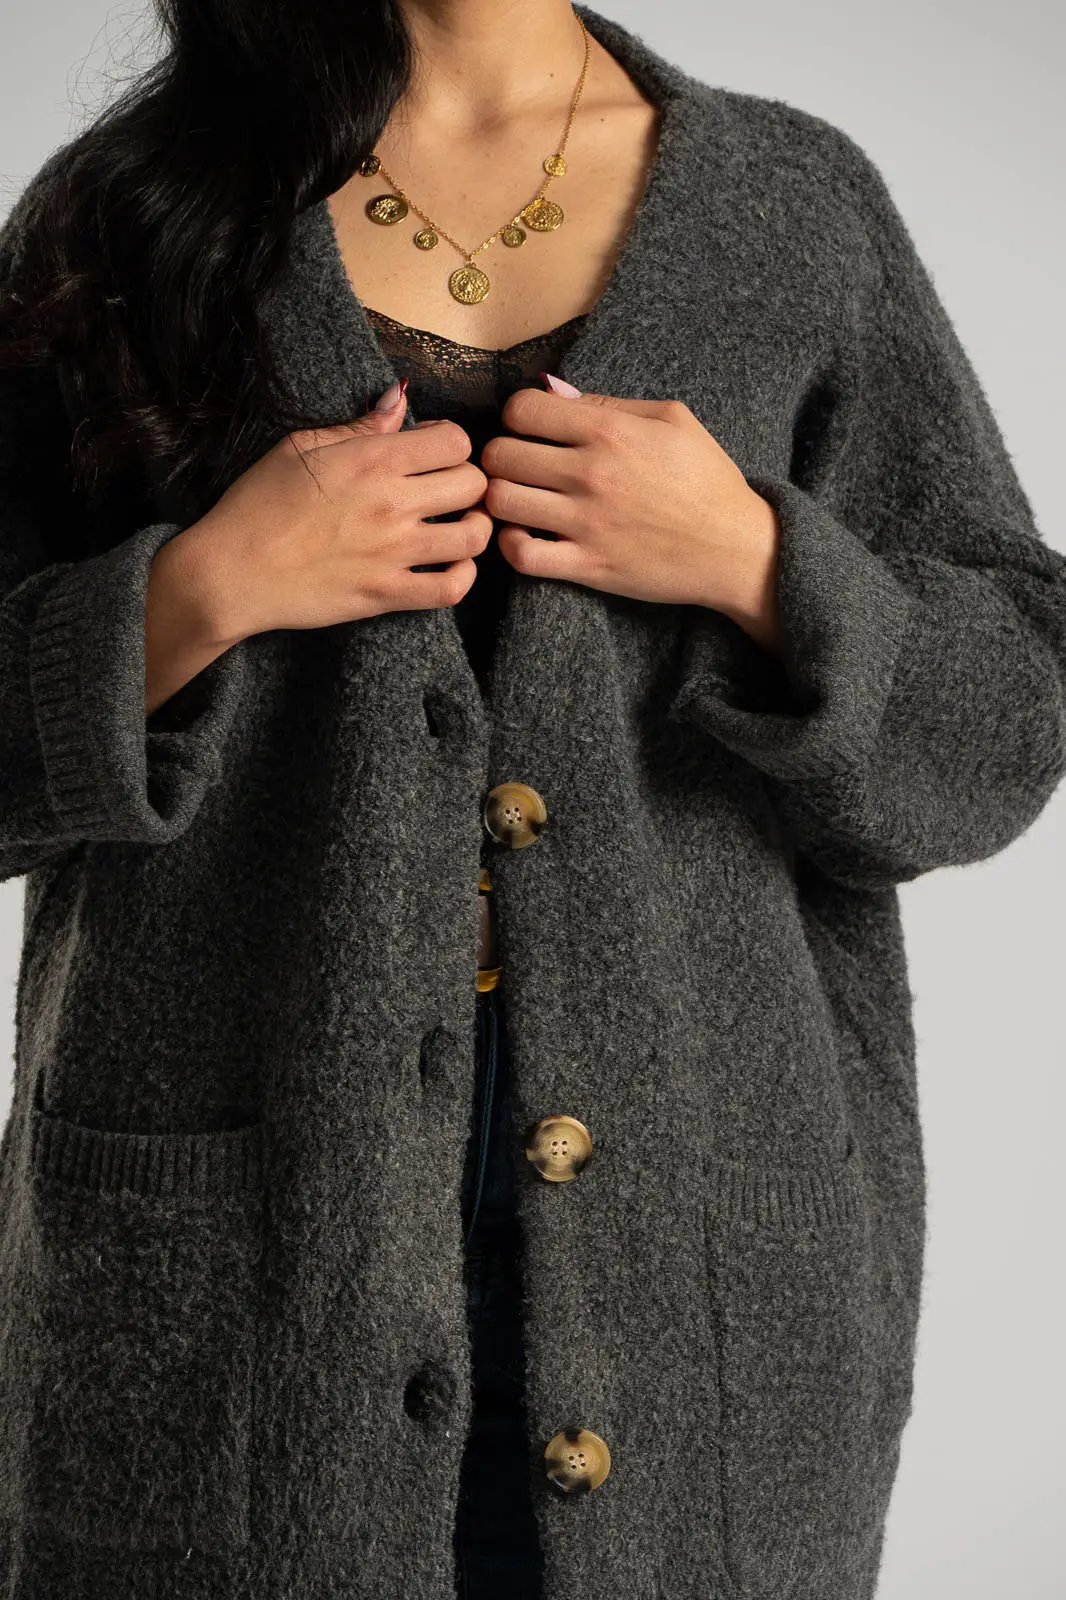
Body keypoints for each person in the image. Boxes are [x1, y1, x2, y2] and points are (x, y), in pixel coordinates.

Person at [0, 4, 1063, 1600]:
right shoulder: (143, 199)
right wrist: (195, 595)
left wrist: (757, 562)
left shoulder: (790, 209)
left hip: (700, 1277)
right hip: (226, 1283)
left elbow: (1002, 732)